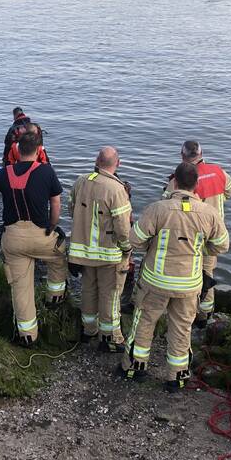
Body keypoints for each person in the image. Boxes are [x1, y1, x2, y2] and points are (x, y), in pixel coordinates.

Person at [121, 162, 230, 392]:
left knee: (144, 323)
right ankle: (177, 377)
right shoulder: (208, 214)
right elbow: (222, 245)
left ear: (175, 182)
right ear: (196, 184)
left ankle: (134, 367)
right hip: (189, 284)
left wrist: (153, 245)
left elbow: (134, 240)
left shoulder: (158, 209)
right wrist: (200, 248)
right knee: (182, 329)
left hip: (156, 281)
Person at [0, 131, 68, 347]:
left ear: (17, 151)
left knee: (20, 287)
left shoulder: (3, 173)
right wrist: (53, 226)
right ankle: (54, 298)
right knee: (59, 255)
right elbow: (56, 204)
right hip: (41, 237)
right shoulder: (47, 171)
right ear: (39, 150)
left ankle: (28, 336)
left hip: (13, 239)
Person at [164, 140, 231, 325]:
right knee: (208, 271)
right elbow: (230, 190)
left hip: (190, 234)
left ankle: (187, 310)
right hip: (214, 233)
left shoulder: (179, 179)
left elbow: (167, 205)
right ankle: (206, 315)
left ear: (182, 156)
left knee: (189, 272)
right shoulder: (219, 172)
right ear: (202, 153)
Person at [68, 147, 133, 352]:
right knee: (110, 296)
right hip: (108, 255)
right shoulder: (116, 189)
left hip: (84, 252)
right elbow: (123, 227)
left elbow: (72, 209)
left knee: (88, 292)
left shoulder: (81, 181)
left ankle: (89, 330)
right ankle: (110, 338)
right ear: (118, 163)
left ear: (97, 161)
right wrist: (127, 248)